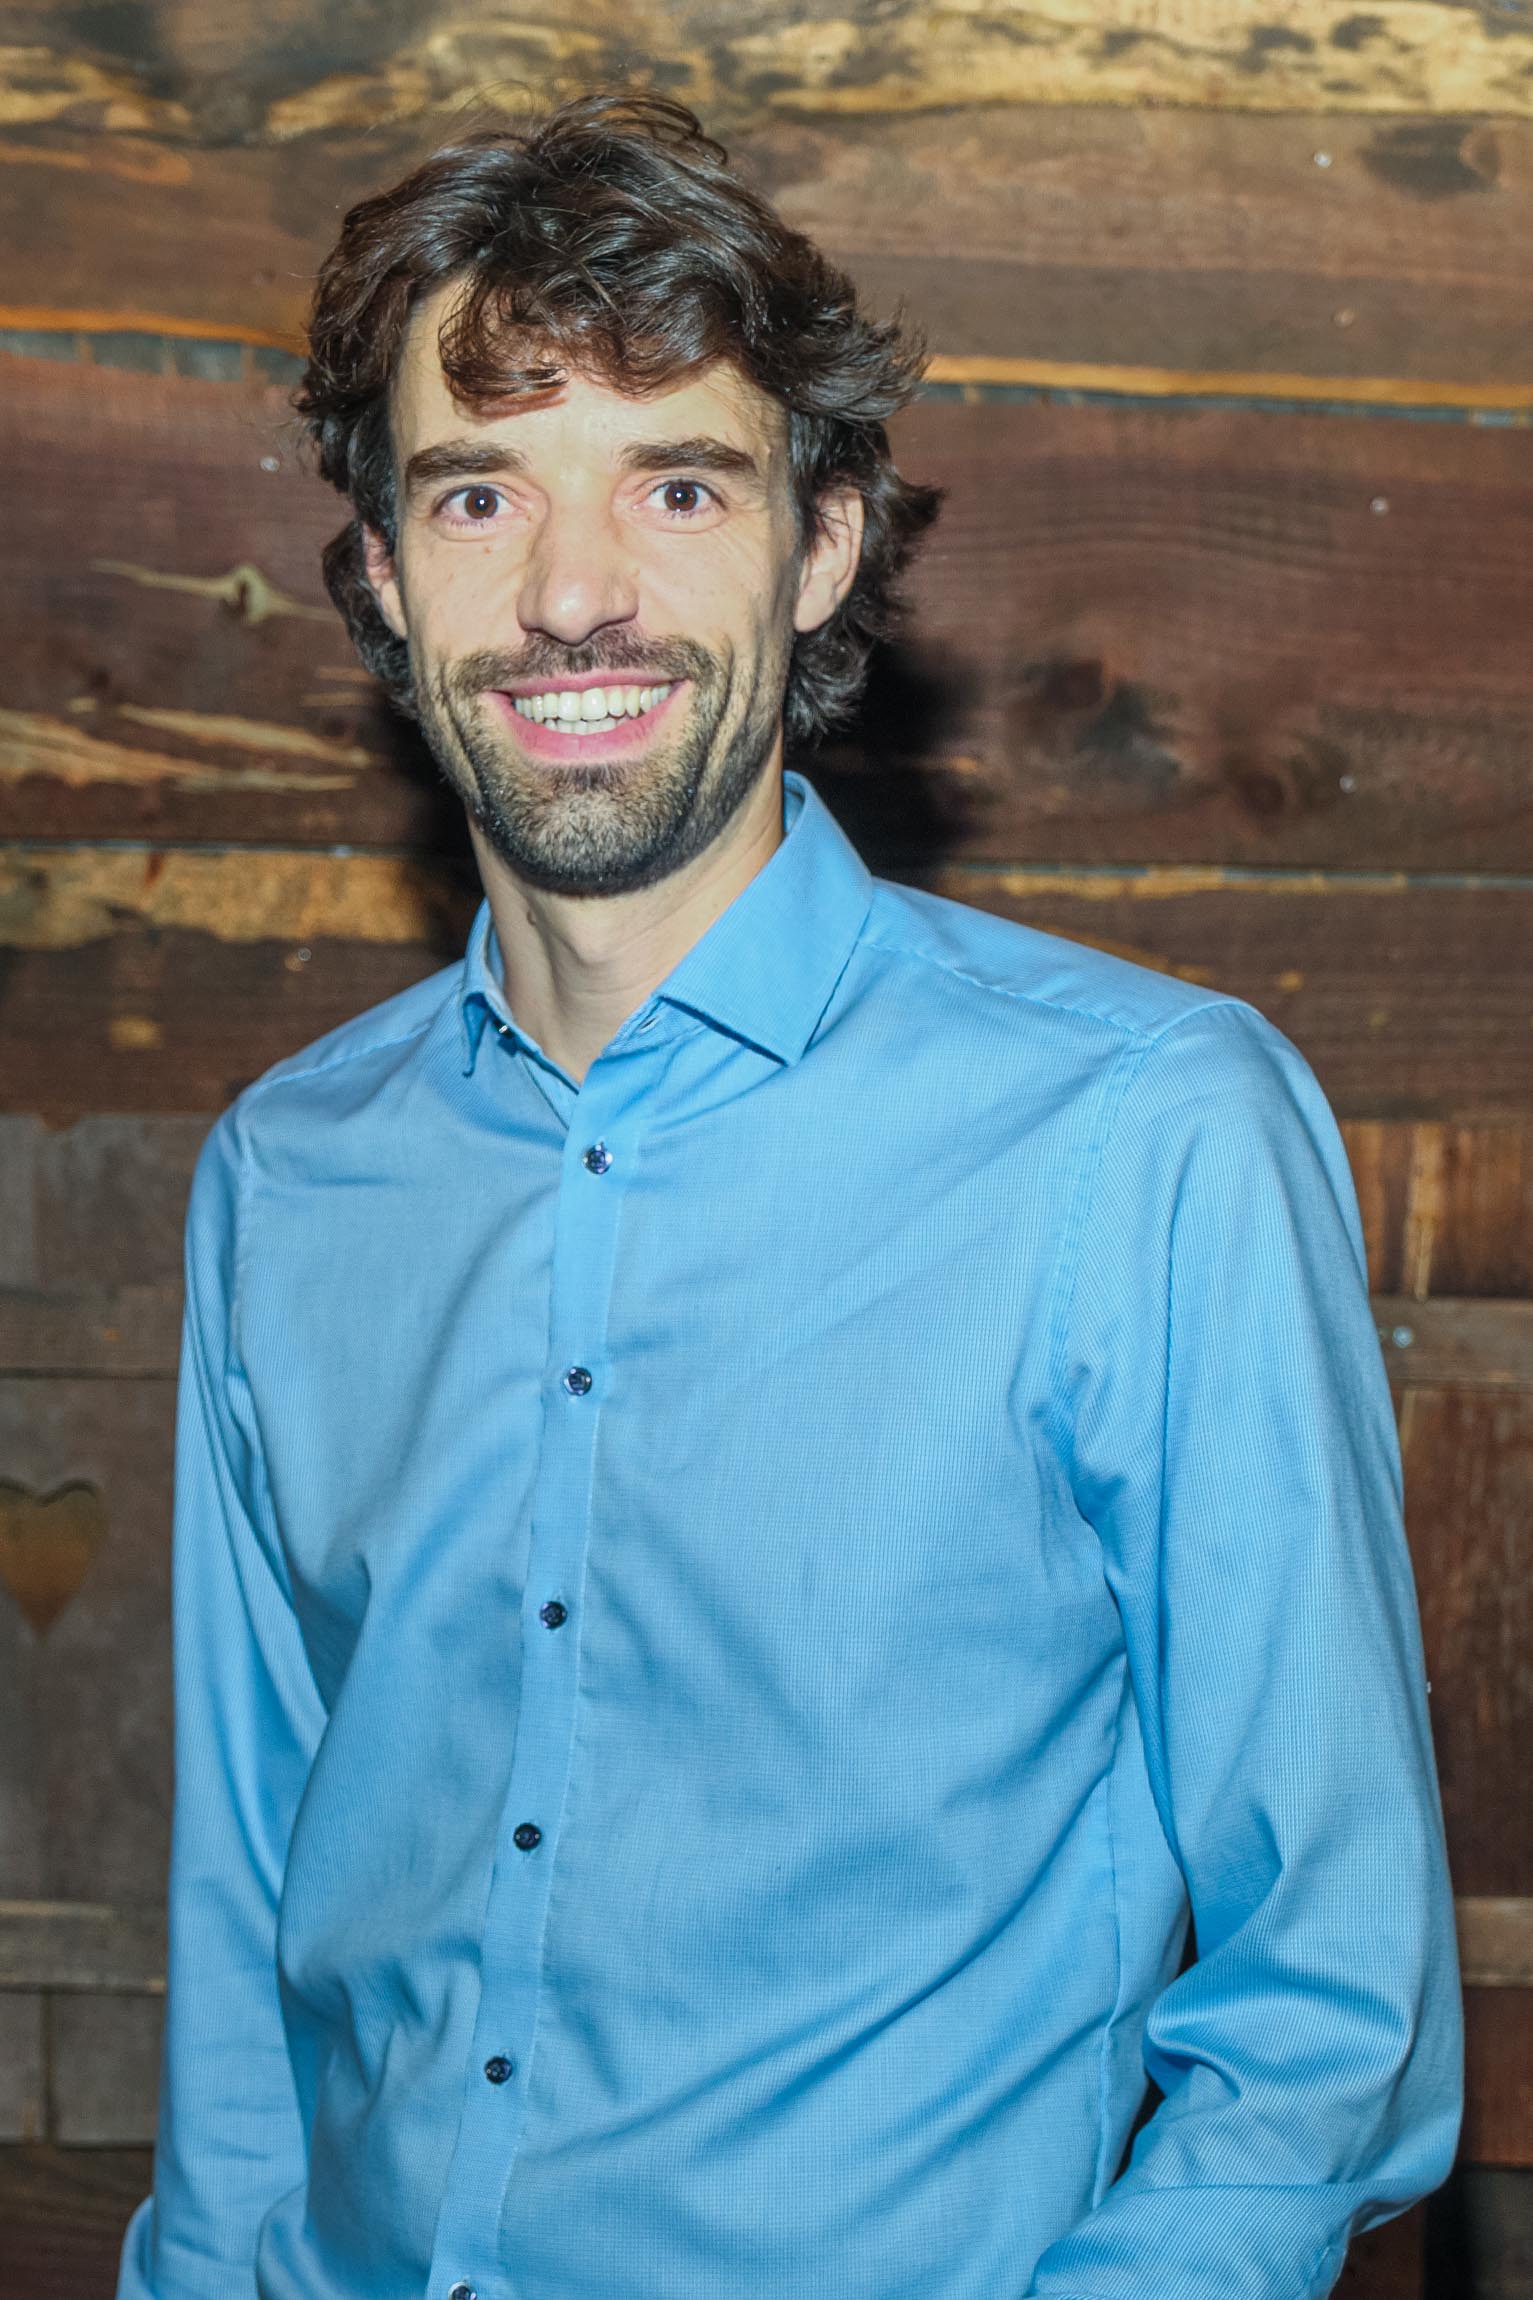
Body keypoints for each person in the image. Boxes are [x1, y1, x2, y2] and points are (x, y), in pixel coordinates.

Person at [117, 90, 1461, 2300]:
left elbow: (1332, 2016)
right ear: (377, 574)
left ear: (820, 545)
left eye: (676, 484)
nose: (570, 594)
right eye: (478, 493)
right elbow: (251, 1916)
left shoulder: (1143, 1134)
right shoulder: (285, 1171)